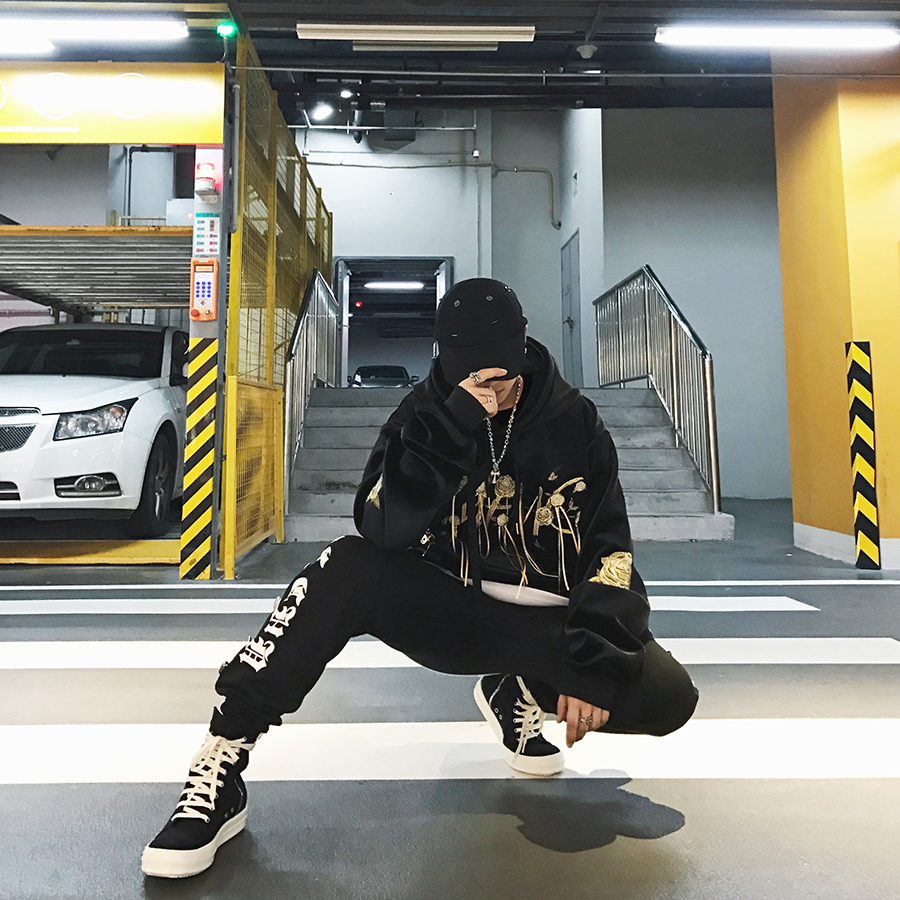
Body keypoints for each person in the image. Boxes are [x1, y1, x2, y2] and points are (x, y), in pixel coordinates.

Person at [141, 278, 699, 879]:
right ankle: (222, 763)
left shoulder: (575, 421)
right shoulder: (424, 412)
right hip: (452, 610)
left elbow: (610, 549)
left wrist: (591, 666)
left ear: (522, 351)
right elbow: (382, 529)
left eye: (499, 376)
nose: (488, 389)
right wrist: (450, 426)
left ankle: (520, 691)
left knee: (668, 698)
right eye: (470, 377)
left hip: (548, 622)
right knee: (345, 567)